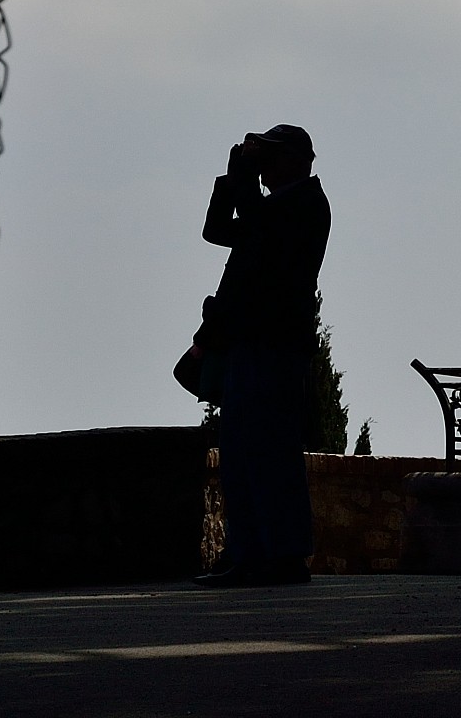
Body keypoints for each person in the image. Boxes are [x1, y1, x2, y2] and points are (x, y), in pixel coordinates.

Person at [196, 125, 330, 587]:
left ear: (297, 160)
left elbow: (259, 226)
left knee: (270, 449)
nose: (265, 166)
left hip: (276, 344)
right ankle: (250, 553)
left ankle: (280, 554)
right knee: (240, 452)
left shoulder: (306, 205)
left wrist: (245, 182)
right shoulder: (274, 207)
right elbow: (216, 231)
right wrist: (231, 180)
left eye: (272, 157)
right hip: (251, 341)